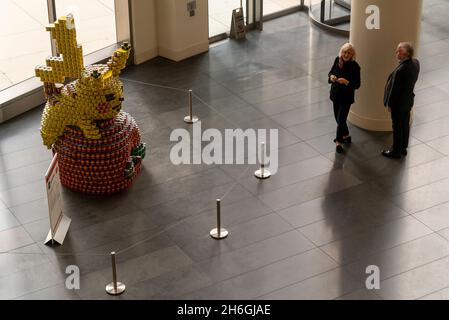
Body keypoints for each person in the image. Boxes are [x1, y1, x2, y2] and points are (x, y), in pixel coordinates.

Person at [382, 42, 420, 159]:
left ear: (406, 53)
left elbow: (395, 90)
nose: (396, 52)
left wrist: (390, 104)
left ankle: (396, 151)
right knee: (405, 125)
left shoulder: (401, 70)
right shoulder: (415, 63)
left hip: (398, 104)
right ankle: (403, 148)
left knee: (397, 127)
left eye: (399, 50)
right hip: (408, 101)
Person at [328, 43, 361, 154]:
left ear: (352, 55)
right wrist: (331, 77)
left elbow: (357, 84)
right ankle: (346, 135)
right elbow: (331, 72)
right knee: (338, 118)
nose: (346, 55)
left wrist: (346, 82)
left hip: (346, 98)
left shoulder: (355, 66)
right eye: (344, 52)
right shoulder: (337, 60)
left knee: (341, 120)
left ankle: (339, 142)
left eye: (348, 53)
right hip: (335, 95)